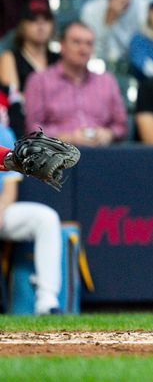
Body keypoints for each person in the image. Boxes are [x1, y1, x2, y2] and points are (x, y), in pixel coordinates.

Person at [25, 21, 128, 145]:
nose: (83, 49)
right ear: (62, 45)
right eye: (76, 42)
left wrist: (108, 134)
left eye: (88, 44)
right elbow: (32, 128)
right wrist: (65, 138)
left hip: (102, 153)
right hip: (57, 156)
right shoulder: (39, 81)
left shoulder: (107, 81)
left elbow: (121, 125)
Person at [0, 117, 62, 314]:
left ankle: (47, 301)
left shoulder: (3, 133)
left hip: (1, 210)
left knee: (46, 218)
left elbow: (9, 187)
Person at [0, 0, 60, 95]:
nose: (41, 25)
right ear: (22, 26)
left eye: (46, 19)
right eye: (33, 19)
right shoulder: (10, 58)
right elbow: (13, 98)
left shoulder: (60, 59)